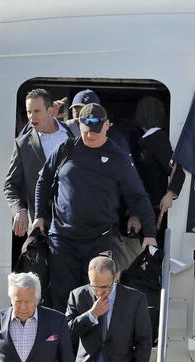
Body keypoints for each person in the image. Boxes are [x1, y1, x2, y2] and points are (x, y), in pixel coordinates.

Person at [33, 103, 157, 311]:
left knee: (95, 297)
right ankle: (63, 343)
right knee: (62, 297)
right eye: (86, 130)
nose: (90, 136)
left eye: (96, 131)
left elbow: (138, 196)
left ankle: (91, 342)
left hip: (98, 240)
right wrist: (38, 216)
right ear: (79, 124)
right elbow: (43, 181)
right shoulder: (65, 149)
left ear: (107, 125)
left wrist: (150, 233)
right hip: (62, 239)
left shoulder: (118, 157)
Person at [4, 89, 75, 244]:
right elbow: (10, 185)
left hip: (73, 224)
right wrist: (19, 210)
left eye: (37, 111)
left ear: (50, 111)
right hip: (41, 225)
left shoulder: (72, 135)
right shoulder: (23, 144)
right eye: (29, 112)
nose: (31, 116)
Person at [133, 96, 185, 245]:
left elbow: (177, 169)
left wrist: (170, 193)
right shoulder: (146, 140)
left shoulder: (157, 139)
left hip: (155, 209)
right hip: (145, 208)